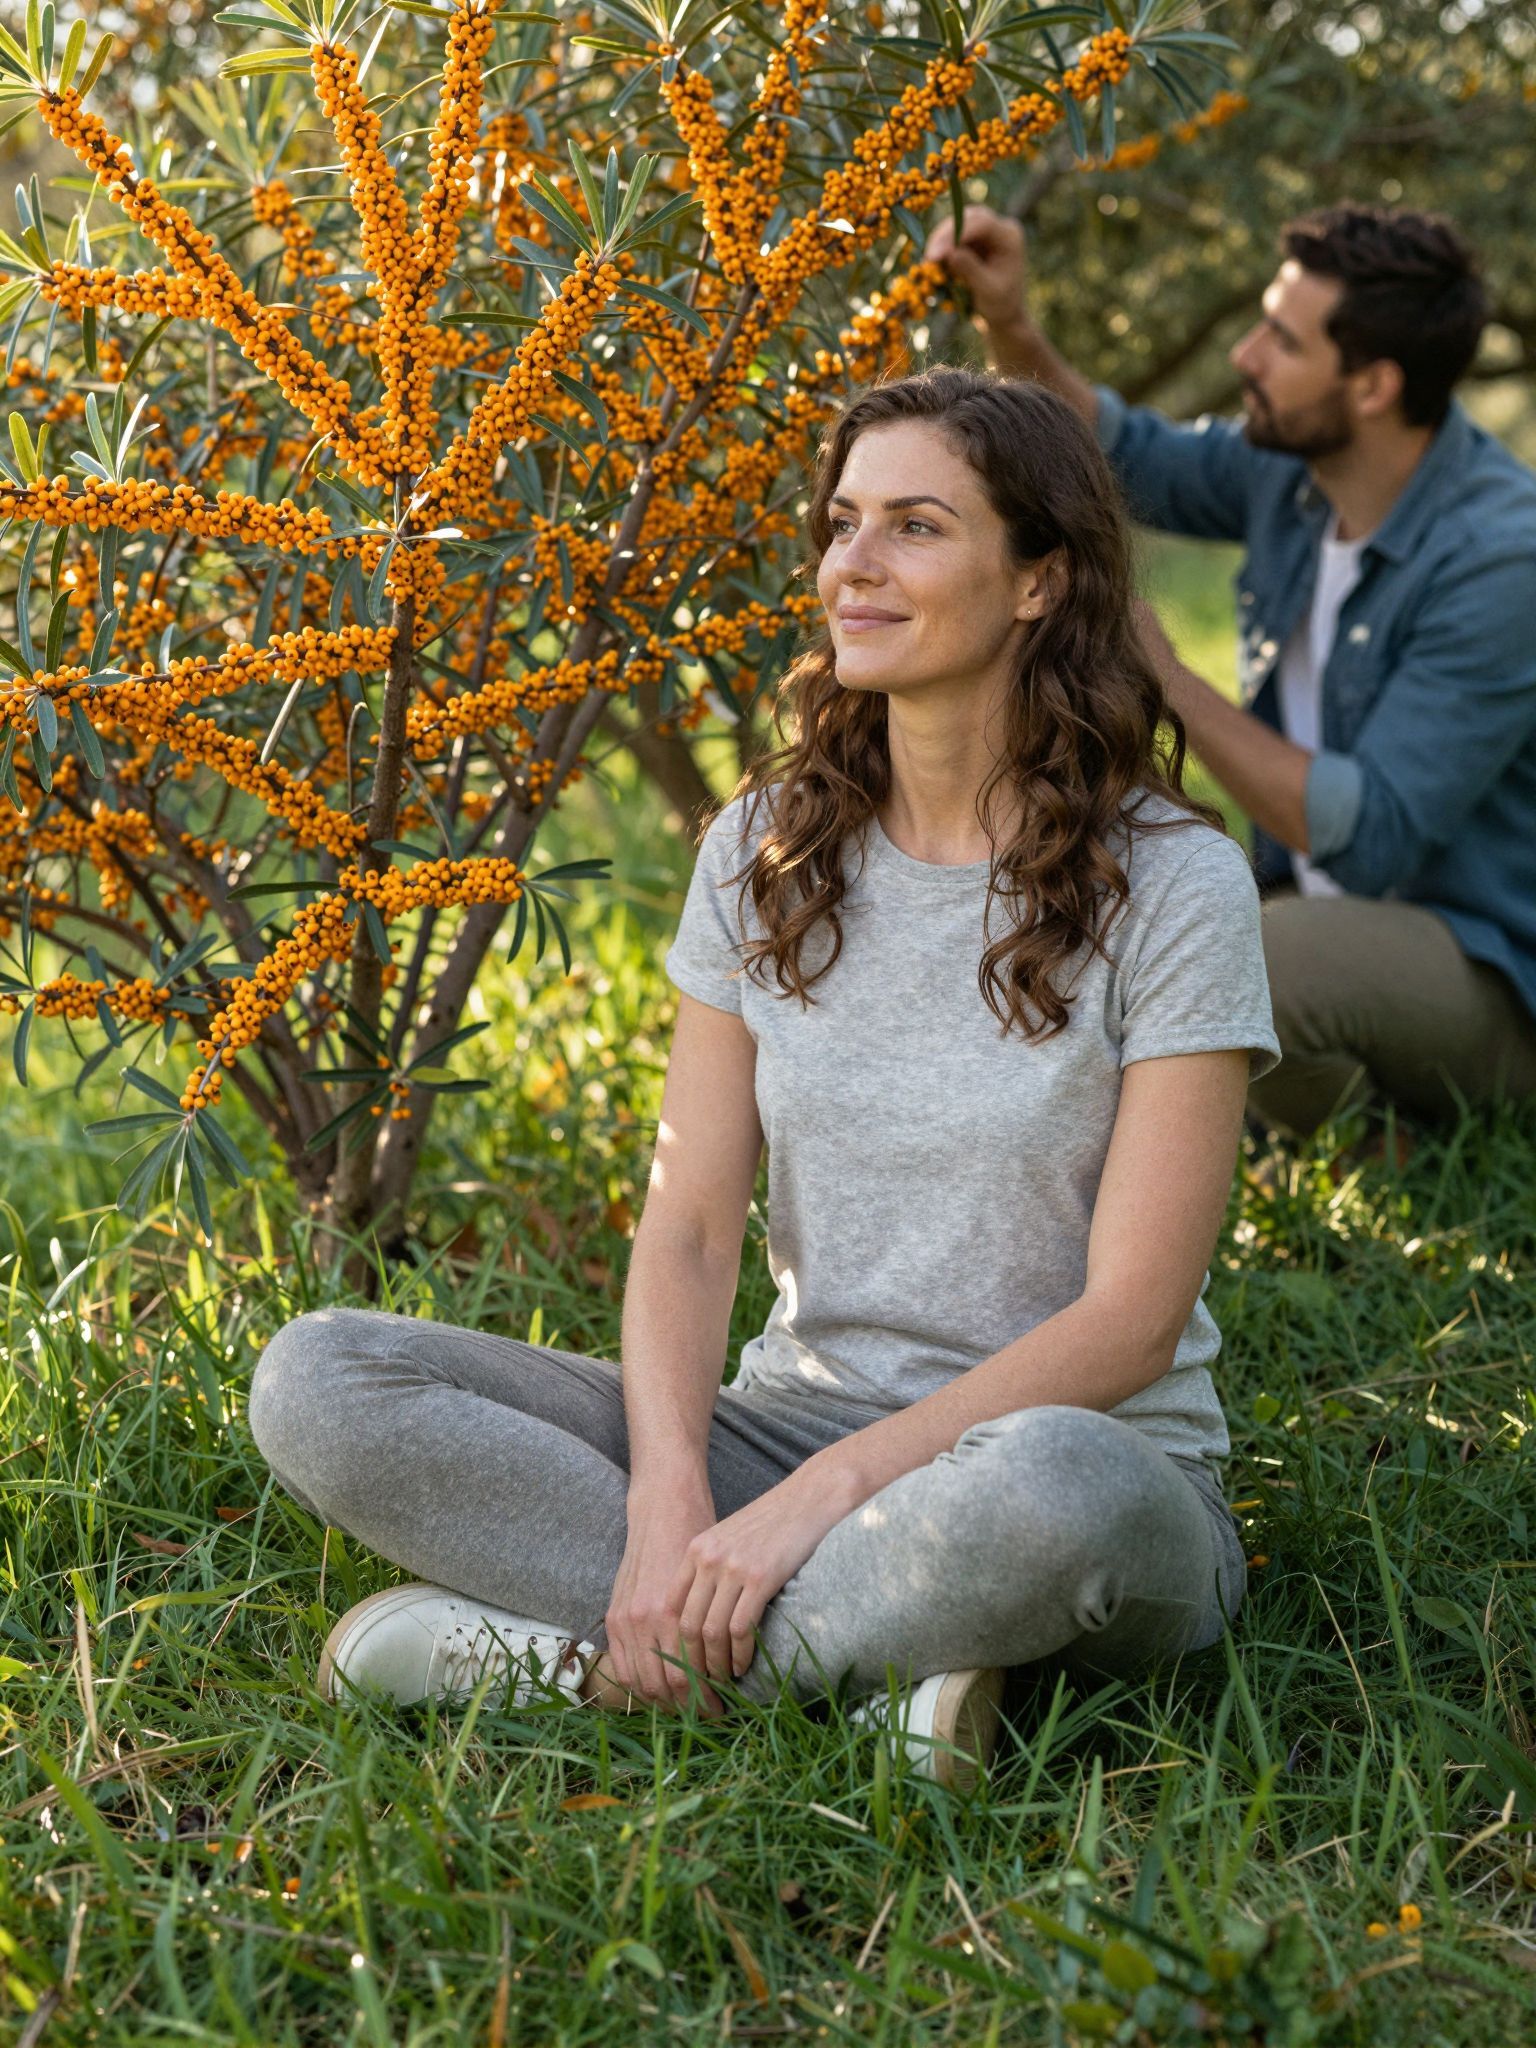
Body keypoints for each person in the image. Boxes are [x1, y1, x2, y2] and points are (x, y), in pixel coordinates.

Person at [247, 369, 1278, 1792]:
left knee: (1060, 1489)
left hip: (1072, 1461)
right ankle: (851, 1674)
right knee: (325, 1373)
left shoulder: (1175, 885)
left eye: (915, 526)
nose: (853, 564)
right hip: (780, 1423)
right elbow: (687, 1225)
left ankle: (572, 1665)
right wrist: (677, 1497)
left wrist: (820, 1503)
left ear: (1039, 580)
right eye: (843, 522)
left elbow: (1133, 1323)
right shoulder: (765, 850)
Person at [926, 201, 1536, 1140]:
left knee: (1253, 959)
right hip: (1325, 919)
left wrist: (1168, 677)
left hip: (1484, 972)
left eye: (1283, 342)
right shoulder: (1290, 472)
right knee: (1103, 898)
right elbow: (1111, 448)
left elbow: (1373, 836)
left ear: (1372, 385)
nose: (1247, 356)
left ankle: (1382, 1158)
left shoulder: (1501, 560)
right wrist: (1009, 322)